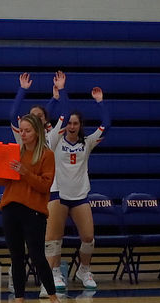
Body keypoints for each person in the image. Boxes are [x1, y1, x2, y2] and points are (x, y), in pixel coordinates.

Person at [0, 113, 65, 303]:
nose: (23, 134)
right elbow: (2, 181)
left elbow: (45, 185)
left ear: (37, 132)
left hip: (34, 210)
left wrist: (25, 172)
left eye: (27, 130)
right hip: (10, 208)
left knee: (37, 256)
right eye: (21, 130)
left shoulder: (46, 155)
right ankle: (19, 301)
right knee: (16, 257)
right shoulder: (15, 151)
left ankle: (54, 299)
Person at [43, 86, 110, 291]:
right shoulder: (55, 140)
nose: (71, 126)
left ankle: (84, 270)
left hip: (80, 195)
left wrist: (99, 101)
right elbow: (43, 119)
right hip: (58, 194)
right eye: (69, 123)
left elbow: (106, 124)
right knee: (55, 238)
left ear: (80, 125)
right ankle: (55, 273)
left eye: (75, 123)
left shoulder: (87, 143)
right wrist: (57, 96)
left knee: (88, 237)